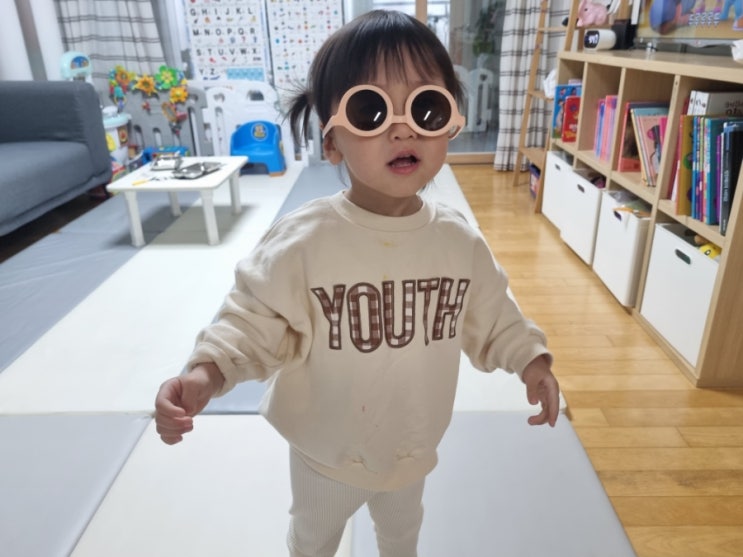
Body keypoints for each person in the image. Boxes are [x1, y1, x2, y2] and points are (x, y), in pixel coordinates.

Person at [155, 10, 559, 557]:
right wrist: (206, 373)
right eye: (371, 111)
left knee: (401, 537)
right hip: (324, 453)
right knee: (313, 541)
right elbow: (252, 320)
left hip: (411, 447)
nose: (403, 129)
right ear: (333, 142)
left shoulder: (458, 243)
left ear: (449, 124)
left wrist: (530, 360)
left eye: (427, 108)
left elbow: (493, 315)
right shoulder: (304, 242)